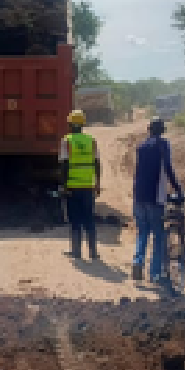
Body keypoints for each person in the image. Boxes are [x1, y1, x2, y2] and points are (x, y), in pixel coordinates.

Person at [132, 117, 183, 285]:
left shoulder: (141, 146)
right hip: (155, 197)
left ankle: (137, 262)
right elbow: (167, 168)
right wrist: (177, 188)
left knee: (142, 232)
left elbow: (138, 171)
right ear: (162, 130)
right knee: (159, 235)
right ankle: (154, 273)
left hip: (139, 195)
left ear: (149, 129)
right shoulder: (163, 145)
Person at [60, 109, 101, 260]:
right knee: (89, 218)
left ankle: (76, 251)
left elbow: (64, 165)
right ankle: (93, 252)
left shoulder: (67, 141)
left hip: (72, 186)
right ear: (83, 124)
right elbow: (97, 163)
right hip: (88, 187)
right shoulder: (92, 140)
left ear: (70, 124)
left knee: (75, 219)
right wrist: (97, 183)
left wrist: (64, 185)